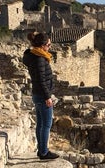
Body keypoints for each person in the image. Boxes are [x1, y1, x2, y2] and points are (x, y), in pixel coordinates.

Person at [23, 32, 59, 160]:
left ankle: (41, 150)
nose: (50, 47)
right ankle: (44, 152)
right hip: (42, 96)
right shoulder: (39, 59)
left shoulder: (34, 55)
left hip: (37, 94)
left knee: (41, 124)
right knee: (46, 125)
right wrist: (47, 97)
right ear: (43, 45)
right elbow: (41, 80)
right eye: (49, 45)